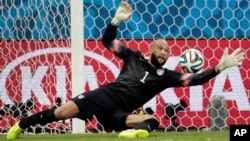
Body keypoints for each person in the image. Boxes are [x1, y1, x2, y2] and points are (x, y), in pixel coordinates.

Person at [6, 1, 245, 139]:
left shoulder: (166, 77)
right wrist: (115, 22)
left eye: (167, 51)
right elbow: (108, 42)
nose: (164, 53)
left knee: (152, 119)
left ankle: (134, 133)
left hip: (120, 112)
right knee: (60, 113)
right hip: (105, 95)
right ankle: (21, 125)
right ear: (151, 48)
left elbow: (195, 79)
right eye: (160, 48)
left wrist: (220, 67)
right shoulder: (133, 57)